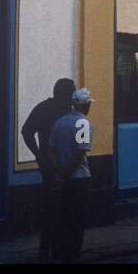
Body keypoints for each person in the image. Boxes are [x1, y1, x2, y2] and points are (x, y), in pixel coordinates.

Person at [21, 78, 76, 262]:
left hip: (59, 166)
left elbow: (26, 131)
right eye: (71, 93)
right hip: (55, 167)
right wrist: (38, 154)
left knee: (57, 211)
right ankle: (50, 252)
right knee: (54, 211)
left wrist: (38, 154)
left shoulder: (49, 108)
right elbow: (27, 131)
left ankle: (54, 251)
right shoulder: (52, 109)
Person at [47, 86, 93, 263]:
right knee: (77, 220)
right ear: (87, 105)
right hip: (79, 179)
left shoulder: (60, 122)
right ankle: (72, 255)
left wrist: (59, 172)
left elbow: (50, 150)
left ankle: (59, 253)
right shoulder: (83, 124)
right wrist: (64, 175)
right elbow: (79, 154)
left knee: (62, 217)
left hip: (62, 178)